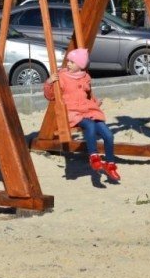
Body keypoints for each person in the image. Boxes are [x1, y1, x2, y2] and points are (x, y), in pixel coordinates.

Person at [44, 48, 120, 181]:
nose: (68, 63)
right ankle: (93, 156)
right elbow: (50, 96)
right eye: (68, 61)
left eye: (72, 62)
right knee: (90, 126)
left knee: (108, 135)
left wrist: (96, 102)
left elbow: (88, 95)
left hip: (89, 110)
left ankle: (110, 164)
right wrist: (49, 82)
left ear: (80, 65)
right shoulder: (62, 77)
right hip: (73, 112)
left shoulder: (86, 77)